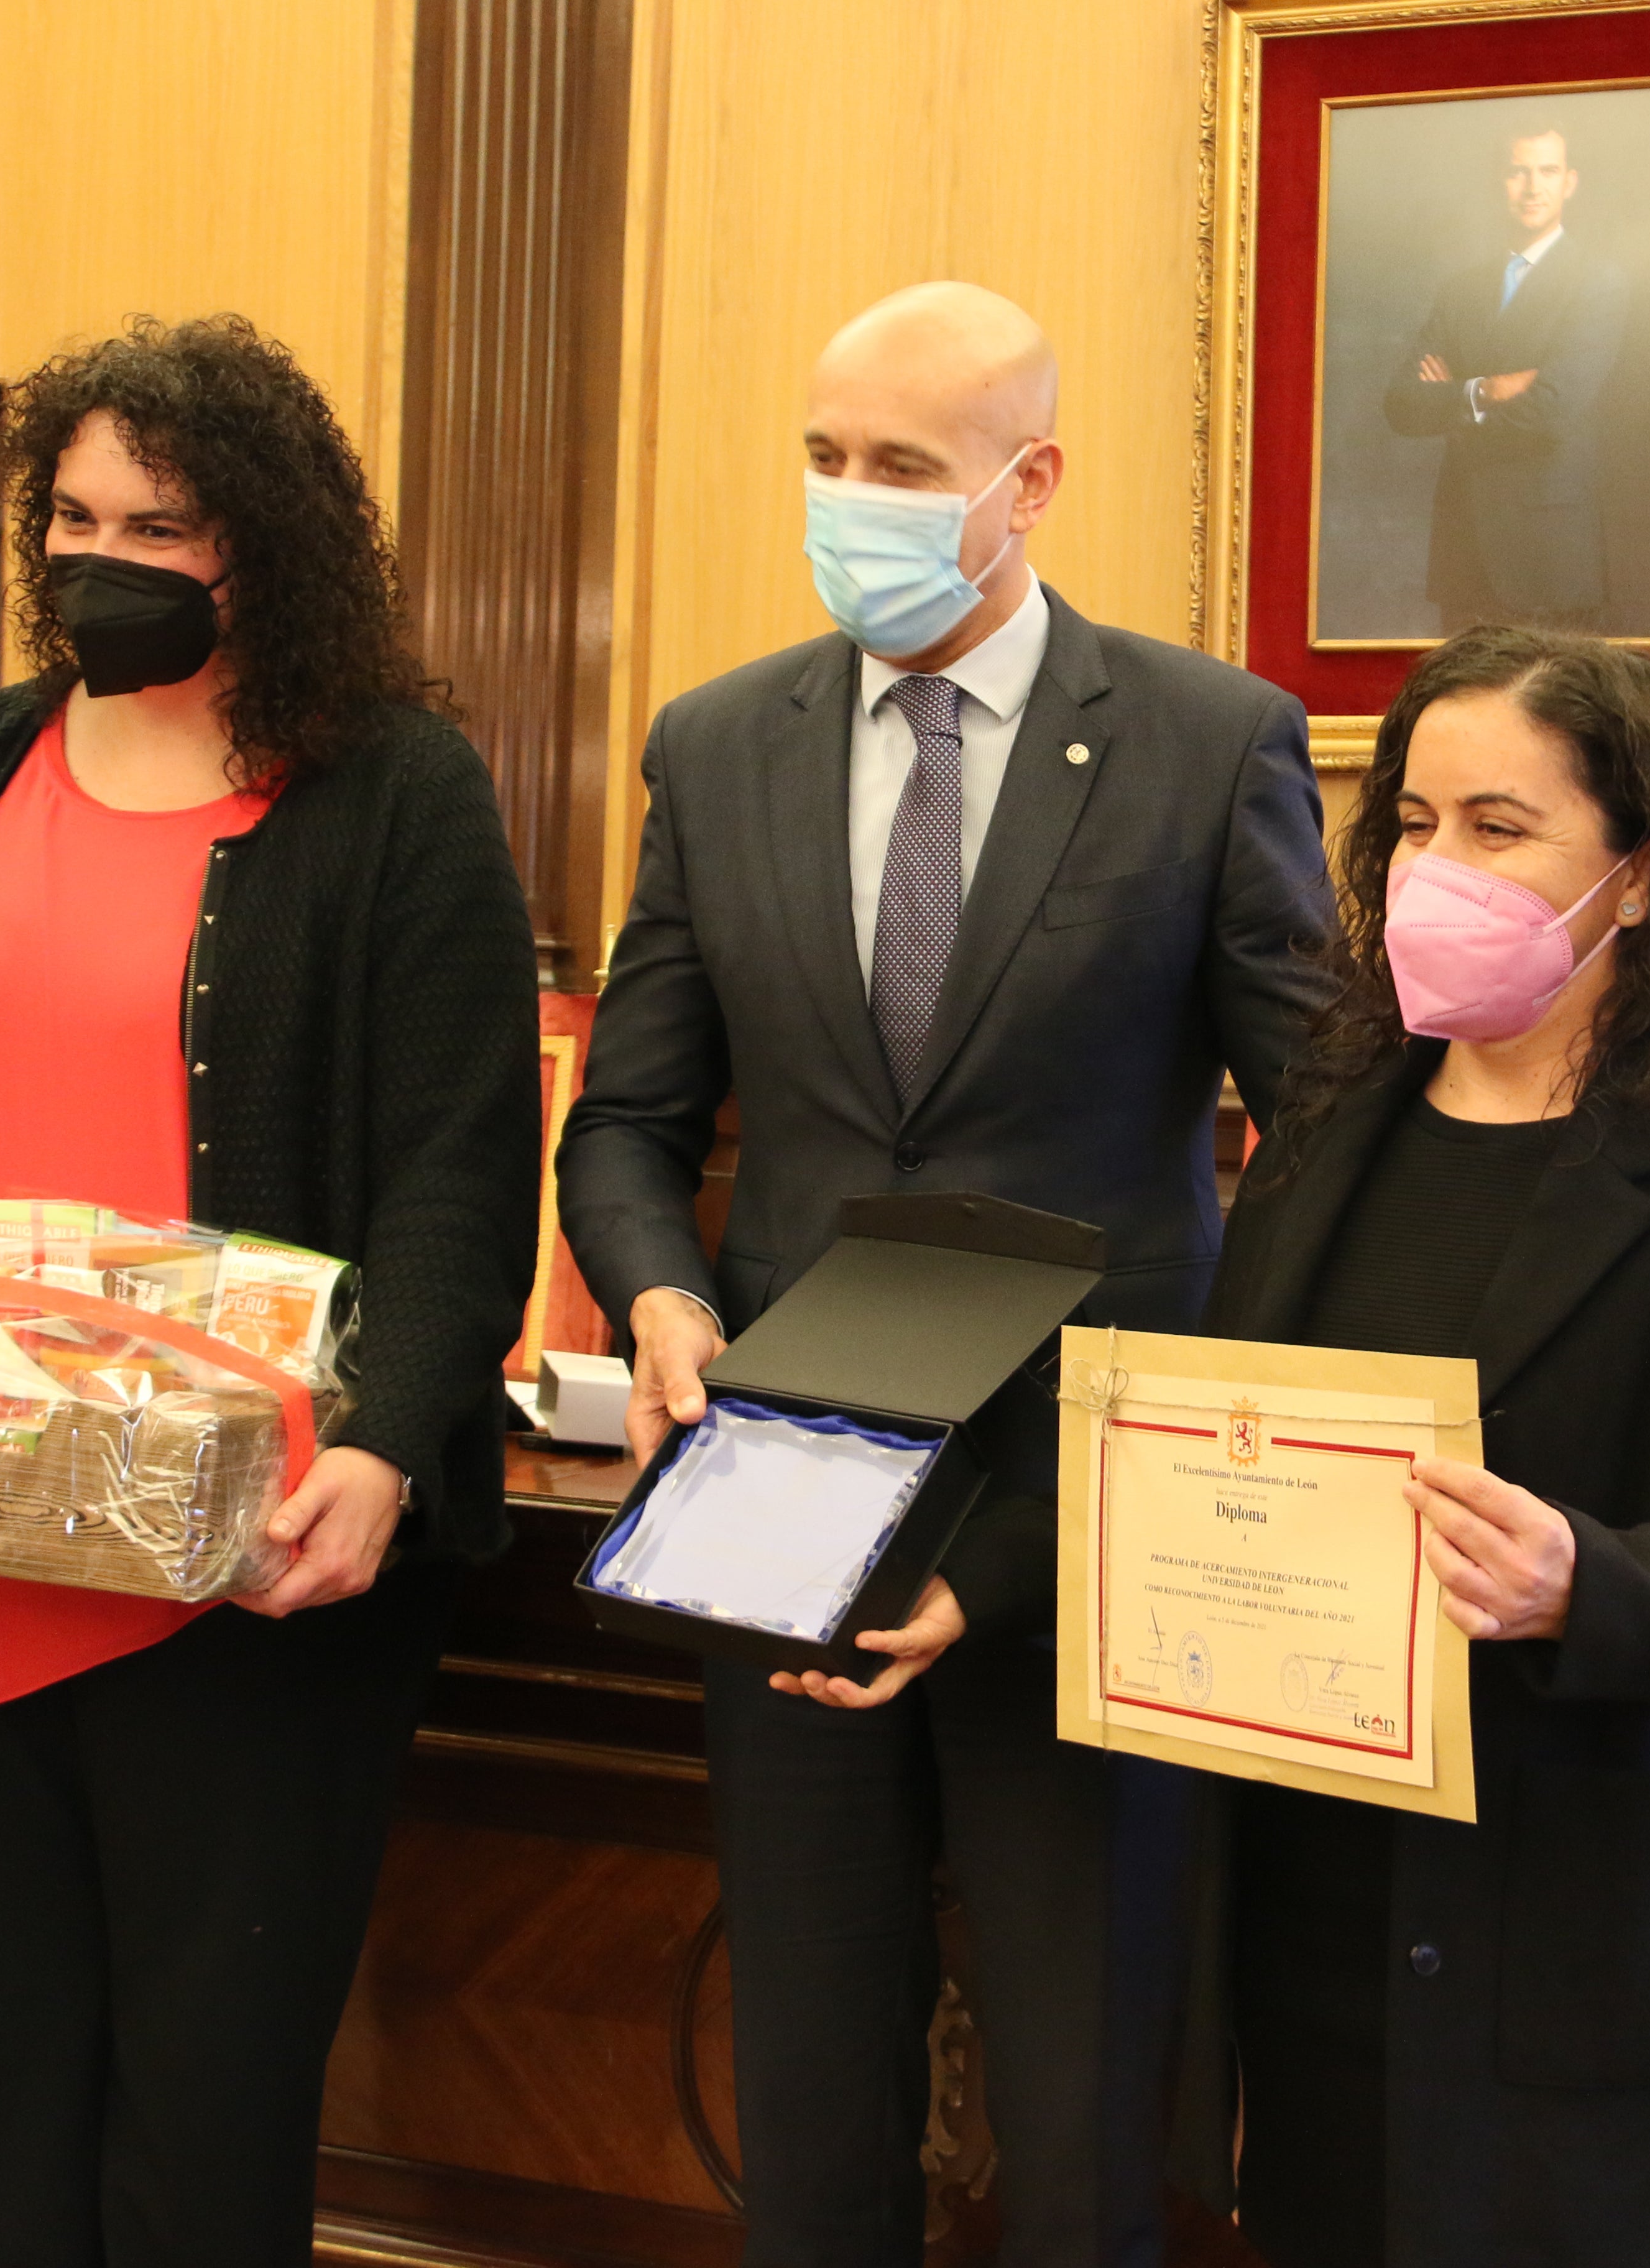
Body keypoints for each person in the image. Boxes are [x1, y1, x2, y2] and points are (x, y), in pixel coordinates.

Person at [0, 316, 543, 2264]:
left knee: (202, 2138)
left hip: (251, 1562)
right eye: (73, 510)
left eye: (163, 519)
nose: (102, 551)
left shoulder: (392, 790)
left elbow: (463, 1165)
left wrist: (390, 1443)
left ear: (269, 542)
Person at [556, 281, 1333, 2268]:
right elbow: (627, 1123)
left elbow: (1323, 1149)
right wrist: (657, 1296)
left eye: (901, 468)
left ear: (1030, 482)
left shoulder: (1202, 742)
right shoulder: (720, 745)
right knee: (811, 2100)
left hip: (1082, 1525)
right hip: (788, 1494)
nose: (850, 502)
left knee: (1091, 2121)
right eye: (825, 457)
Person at [1204, 624, 1650, 2267]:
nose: (1441, 866)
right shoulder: (1320, 1138)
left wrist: (1590, 1581)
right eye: (1416, 825)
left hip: (1590, 1959)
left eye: (1499, 830)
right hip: (1326, 1939)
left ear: (1639, 874)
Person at [1383, 127, 1632, 630]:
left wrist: (1453, 397)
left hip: (1548, 554)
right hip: (1465, 549)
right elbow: (1403, 404)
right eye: (1518, 171)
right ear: (1500, 181)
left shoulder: (1597, 282)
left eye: (1548, 171)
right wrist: (1485, 389)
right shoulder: (1462, 289)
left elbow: (1555, 402)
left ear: (1570, 183)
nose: (1532, 186)